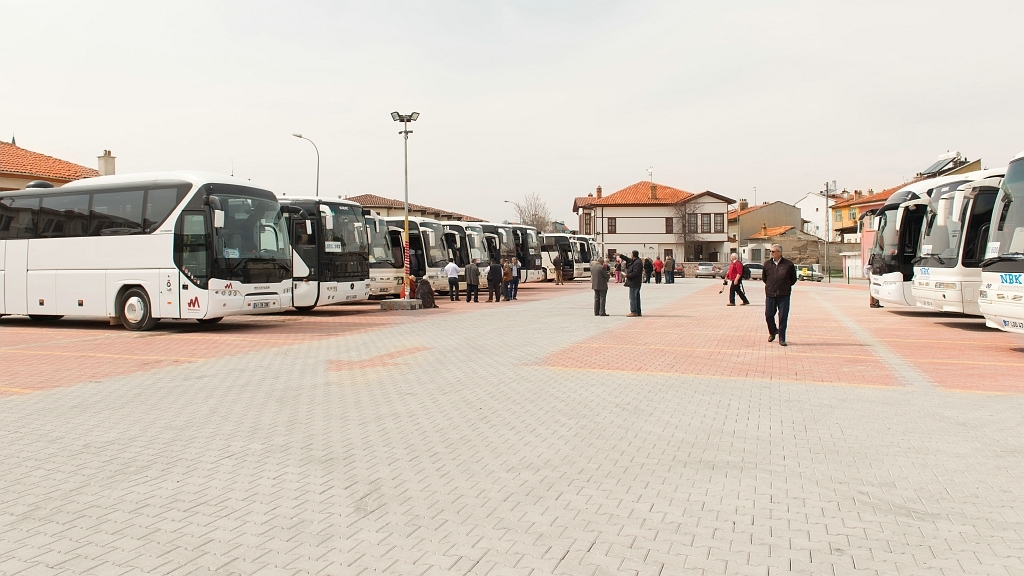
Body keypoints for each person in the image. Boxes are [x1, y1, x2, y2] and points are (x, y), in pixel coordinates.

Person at [763, 244, 797, 346]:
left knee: (783, 317)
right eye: (771, 251)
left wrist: (784, 286)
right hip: (770, 294)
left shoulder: (788, 264)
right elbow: (765, 278)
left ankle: (782, 338)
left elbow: (793, 279)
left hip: (784, 295)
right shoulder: (767, 264)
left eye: (773, 251)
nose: (771, 253)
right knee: (769, 315)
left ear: (780, 252)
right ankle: (772, 331)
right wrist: (771, 286)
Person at [624, 250, 644, 317]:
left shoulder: (637, 263)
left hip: (634, 282)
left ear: (633, 255)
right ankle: (638, 311)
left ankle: (634, 311)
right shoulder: (635, 261)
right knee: (636, 297)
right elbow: (628, 259)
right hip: (635, 282)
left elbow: (635, 273)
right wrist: (620, 255)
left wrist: (627, 275)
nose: (631, 255)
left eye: (631, 254)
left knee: (633, 297)